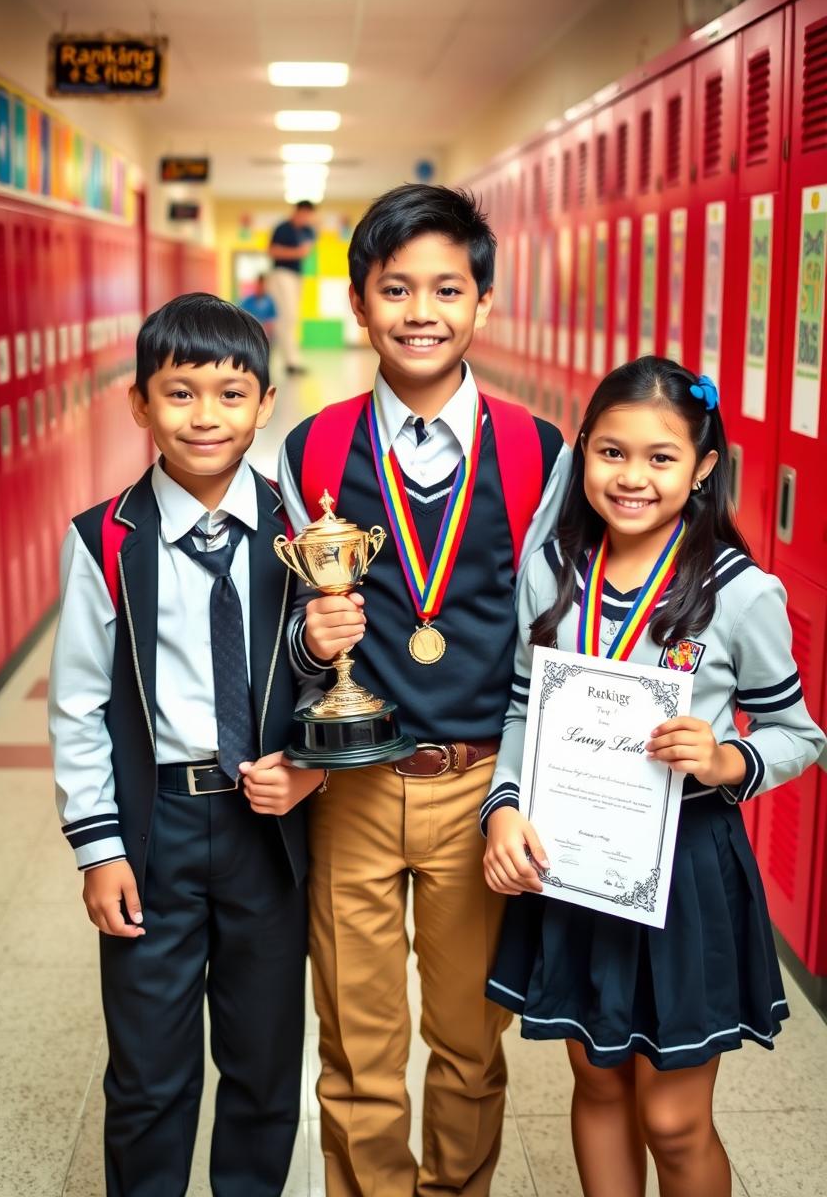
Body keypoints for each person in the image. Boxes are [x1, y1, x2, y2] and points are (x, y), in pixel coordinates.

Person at [277, 183, 571, 1197]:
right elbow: (279, 640)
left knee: (466, 1044)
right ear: (358, 304)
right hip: (352, 786)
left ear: (483, 304)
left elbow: (557, 636)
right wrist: (317, 649)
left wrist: (522, 793)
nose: (419, 309)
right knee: (358, 1050)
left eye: (446, 287)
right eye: (394, 287)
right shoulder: (310, 449)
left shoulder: (539, 452)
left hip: (479, 788)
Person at [481, 357, 826, 1197]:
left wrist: (725, 759)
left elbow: (797, 732)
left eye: (660, 458)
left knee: (672, 1120)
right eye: (611, 452)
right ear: (584, 455)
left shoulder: (740, 593)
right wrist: (502, 806)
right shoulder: (554, 569)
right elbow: (524, 712)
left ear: (703, 467)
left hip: (686, 869)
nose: (632, 477)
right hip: (571, 859)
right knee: (597, 1082)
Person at [48, 292, 327, 1197]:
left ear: (264, 402)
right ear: (139, 403)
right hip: (154, 827)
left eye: (230, 393)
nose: (206, 416)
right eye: (179, 393)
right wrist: (99, 849)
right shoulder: (105, 539)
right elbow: (79, 703)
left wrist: (312, 770)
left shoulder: (303, 534)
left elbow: (339, 683)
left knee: (262, 1067)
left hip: (268, 833)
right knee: (147, 1075)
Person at [269, 199, 317, 376]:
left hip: (297, 276)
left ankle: (290, 360)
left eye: (309, 215)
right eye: (304, 214)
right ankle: (290, 361)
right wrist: (296, 253)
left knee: (292, 318)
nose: (306, 218)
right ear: (297, 211)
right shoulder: (282, 228)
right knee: (286, 317)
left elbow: (308, 249)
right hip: (281, 274)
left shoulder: (308, 230)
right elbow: (273, 251)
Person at [240, 272, 277, 348]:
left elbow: (272, 320)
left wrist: (267, 329)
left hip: (265, 335)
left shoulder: (269, 301)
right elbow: (241, 315)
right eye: (259, 285)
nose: (261, 288)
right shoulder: (248, 301)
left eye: (263, 285)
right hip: (252, 333)